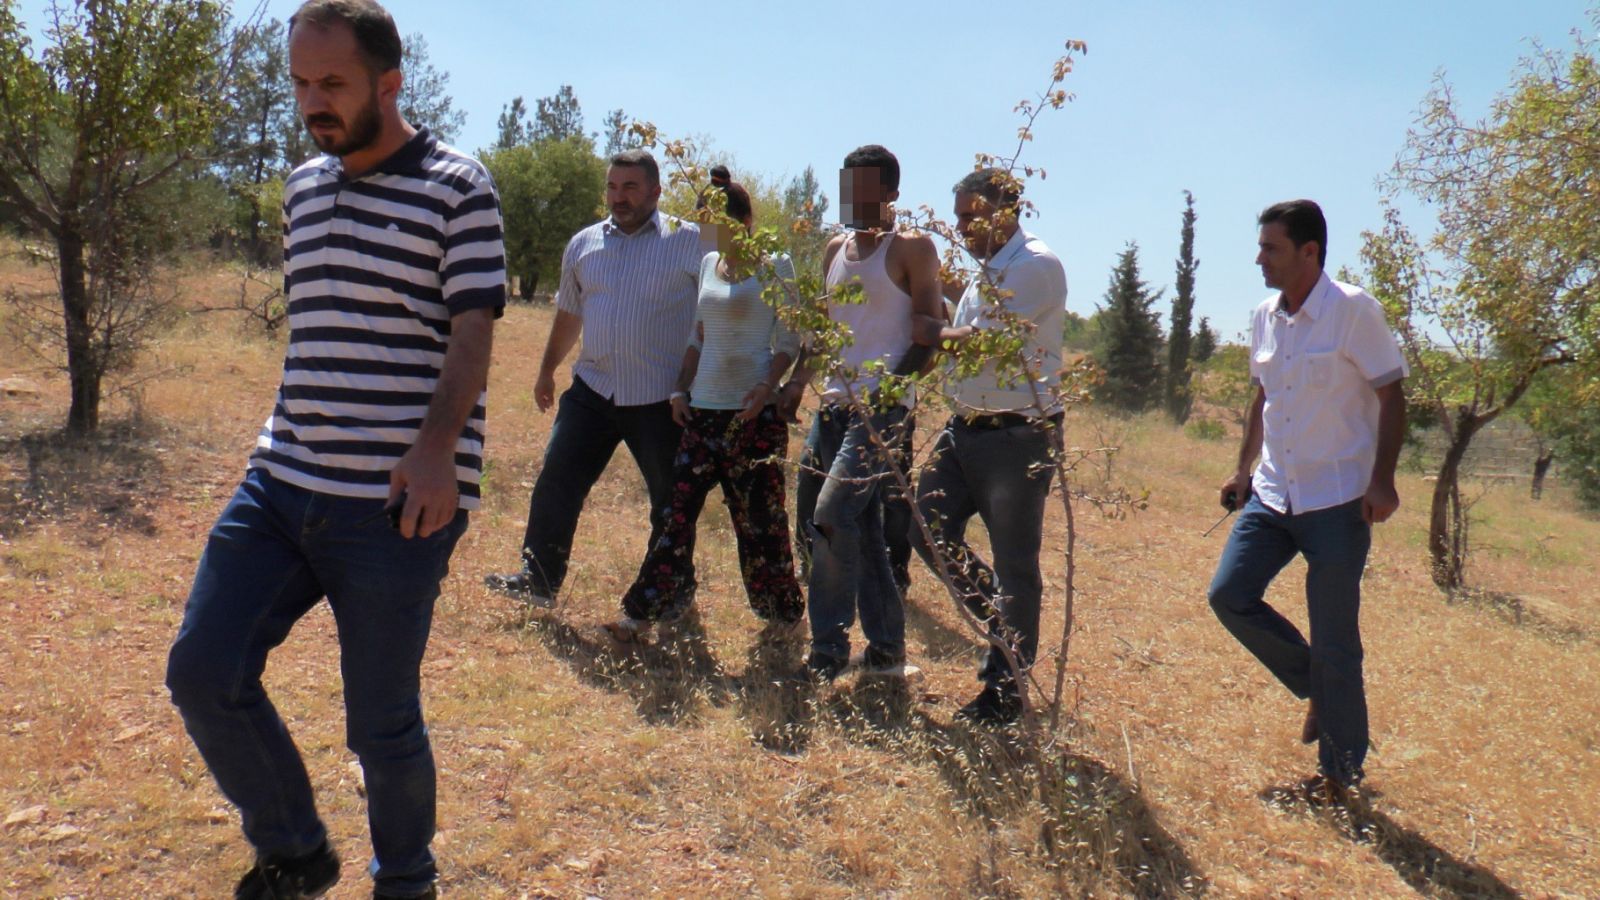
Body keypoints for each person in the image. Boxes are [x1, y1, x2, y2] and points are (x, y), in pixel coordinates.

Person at [164, 2, 506, 897]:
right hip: (281, 484)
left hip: (395, 505)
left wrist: (436, 453)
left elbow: (473, 330)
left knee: (381, 724)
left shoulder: (458, 186)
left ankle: (406, 882)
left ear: (389, 84)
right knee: (203, 670)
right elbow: (317, 331)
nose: (313, 102)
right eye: (300, 83)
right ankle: (296, 851)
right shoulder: (302, 187)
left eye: (332, 83)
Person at [1207, 199, 1407, 801]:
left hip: (1339, 501)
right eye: (1261, 247)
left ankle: (1339, 776)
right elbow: (1263, 399)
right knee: (1229, 595)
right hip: (1274, 495)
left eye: (1271, 248)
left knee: (1336, 637)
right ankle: (1320, 687)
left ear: (1309, 252)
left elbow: (1392, 395)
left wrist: (1382, 480)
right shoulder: (1264, 317)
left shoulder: (1353, 310)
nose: (1259, 259)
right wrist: (1242, 469)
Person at [484, 149, 703, 607]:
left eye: (630, 187)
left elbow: (717, 311)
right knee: (557, 480)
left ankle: (671, 590)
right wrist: (547, 370)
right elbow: (569, 313)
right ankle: (538, 579)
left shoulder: (690, 242)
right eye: (612, 187)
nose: (618, 197)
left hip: (660, 398)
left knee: (670, 501)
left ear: (656, 191)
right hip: (593, 389)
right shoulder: (583, 244)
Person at [604, 178, 804, 642]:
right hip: (703, 412)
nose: (709, 234)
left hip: (753, 416)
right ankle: (641, 614)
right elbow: (698, 335)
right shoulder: (708, 264)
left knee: (759, 522)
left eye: (719, 224)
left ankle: (785, 618)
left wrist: (767, 387)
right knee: (675, 514)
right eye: (703, 224)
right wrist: (680, 389)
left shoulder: (776, 265)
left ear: (746, 222)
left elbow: (790, 340)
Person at [784, 144, 945, 681]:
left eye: (866, 189)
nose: (853, 199)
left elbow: (929, 335)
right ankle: (886, 651)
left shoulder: (912, 248)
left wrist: (887, 393)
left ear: (892, 193)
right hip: (833, 407)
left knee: (832, 515)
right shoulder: (835, 249)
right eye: (847, 187)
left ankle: (827, 651)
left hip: (882, 410)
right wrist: (796, 384)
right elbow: (823, 328)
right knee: (854, 526)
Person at [914, 168, 1068, 724]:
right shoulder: (990, 271)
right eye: (958, 217)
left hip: (1017, 434)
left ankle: (1005, 691)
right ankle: (1004, 629)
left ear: (1006, 212)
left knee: (1014, 565)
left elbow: (983, 345)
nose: (961, 228)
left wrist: (930, 331)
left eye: (970, 216)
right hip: (964, 428)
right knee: (924, 526)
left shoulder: (1036, 266)